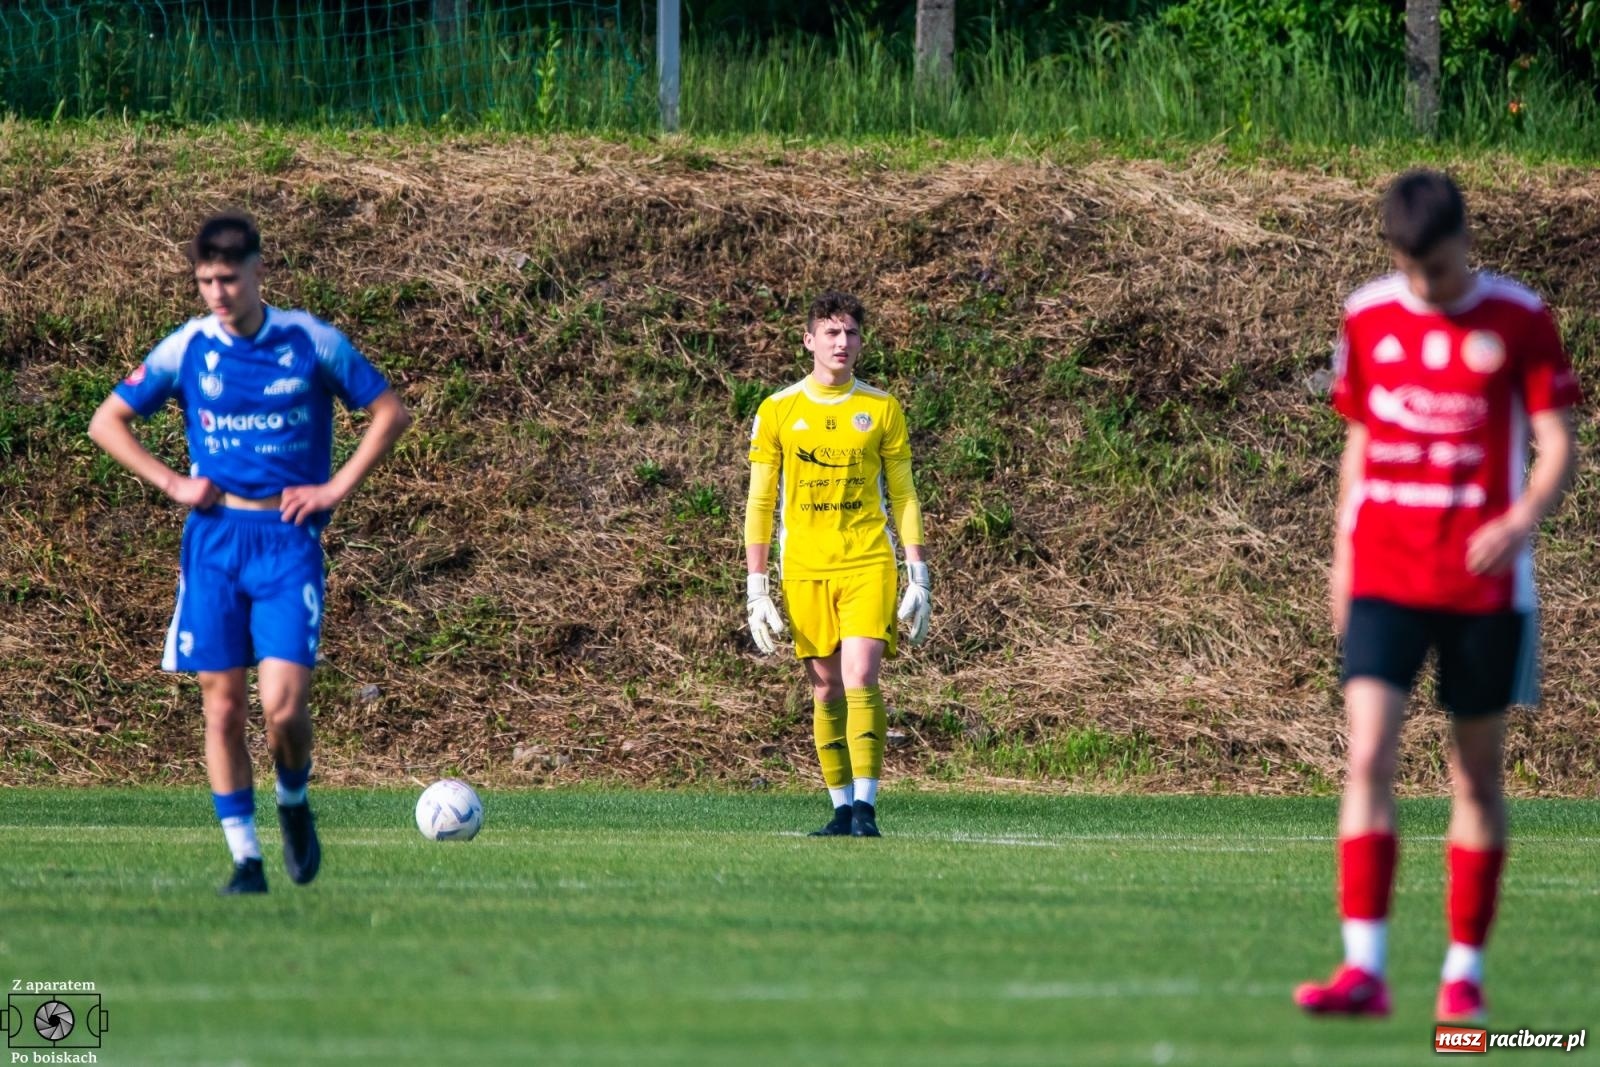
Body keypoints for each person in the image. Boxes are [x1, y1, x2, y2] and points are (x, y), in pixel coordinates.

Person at [1295, 171, 1579, 1021]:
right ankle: (1365, 969)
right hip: (1385, 570)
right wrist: (1343, 558)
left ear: (1466, 241)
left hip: (1485, 585)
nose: (1430, 285)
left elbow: (1558, 442)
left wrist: (1523, 517)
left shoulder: (1519, 319)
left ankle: (1463, 972)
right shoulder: (1370, 315)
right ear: (1395, 253)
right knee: (1369, 754)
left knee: (1475, 774)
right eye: (1416, 269)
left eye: (1444, 267)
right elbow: (1360, 441)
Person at [88, 212, 412, 894]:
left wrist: (333, 488)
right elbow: (106, 421)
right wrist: (173, 481)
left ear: (259, 270)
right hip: (213, 542)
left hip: (286, 543)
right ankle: (246, 859)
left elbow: (388, 411)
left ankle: (293, 800)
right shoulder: (189, 348)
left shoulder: (308, 341)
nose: (216, 293)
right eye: (205, 280)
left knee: (284, 708)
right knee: (223, 706)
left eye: (228, 278)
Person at [743, 291, 931, 838]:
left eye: (850, 333)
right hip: (804, 565)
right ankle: (841, 808)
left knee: (860, 676)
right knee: (824, 689)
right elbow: (759, 502)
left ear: (860, 341)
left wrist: (918, 573)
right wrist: (758, 586)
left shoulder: (882, 409)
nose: (841, 342)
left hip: (868, 560)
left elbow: (904, 495)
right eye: (830, 333)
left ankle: (867, 811)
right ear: (809, 341)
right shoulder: (778, 410)